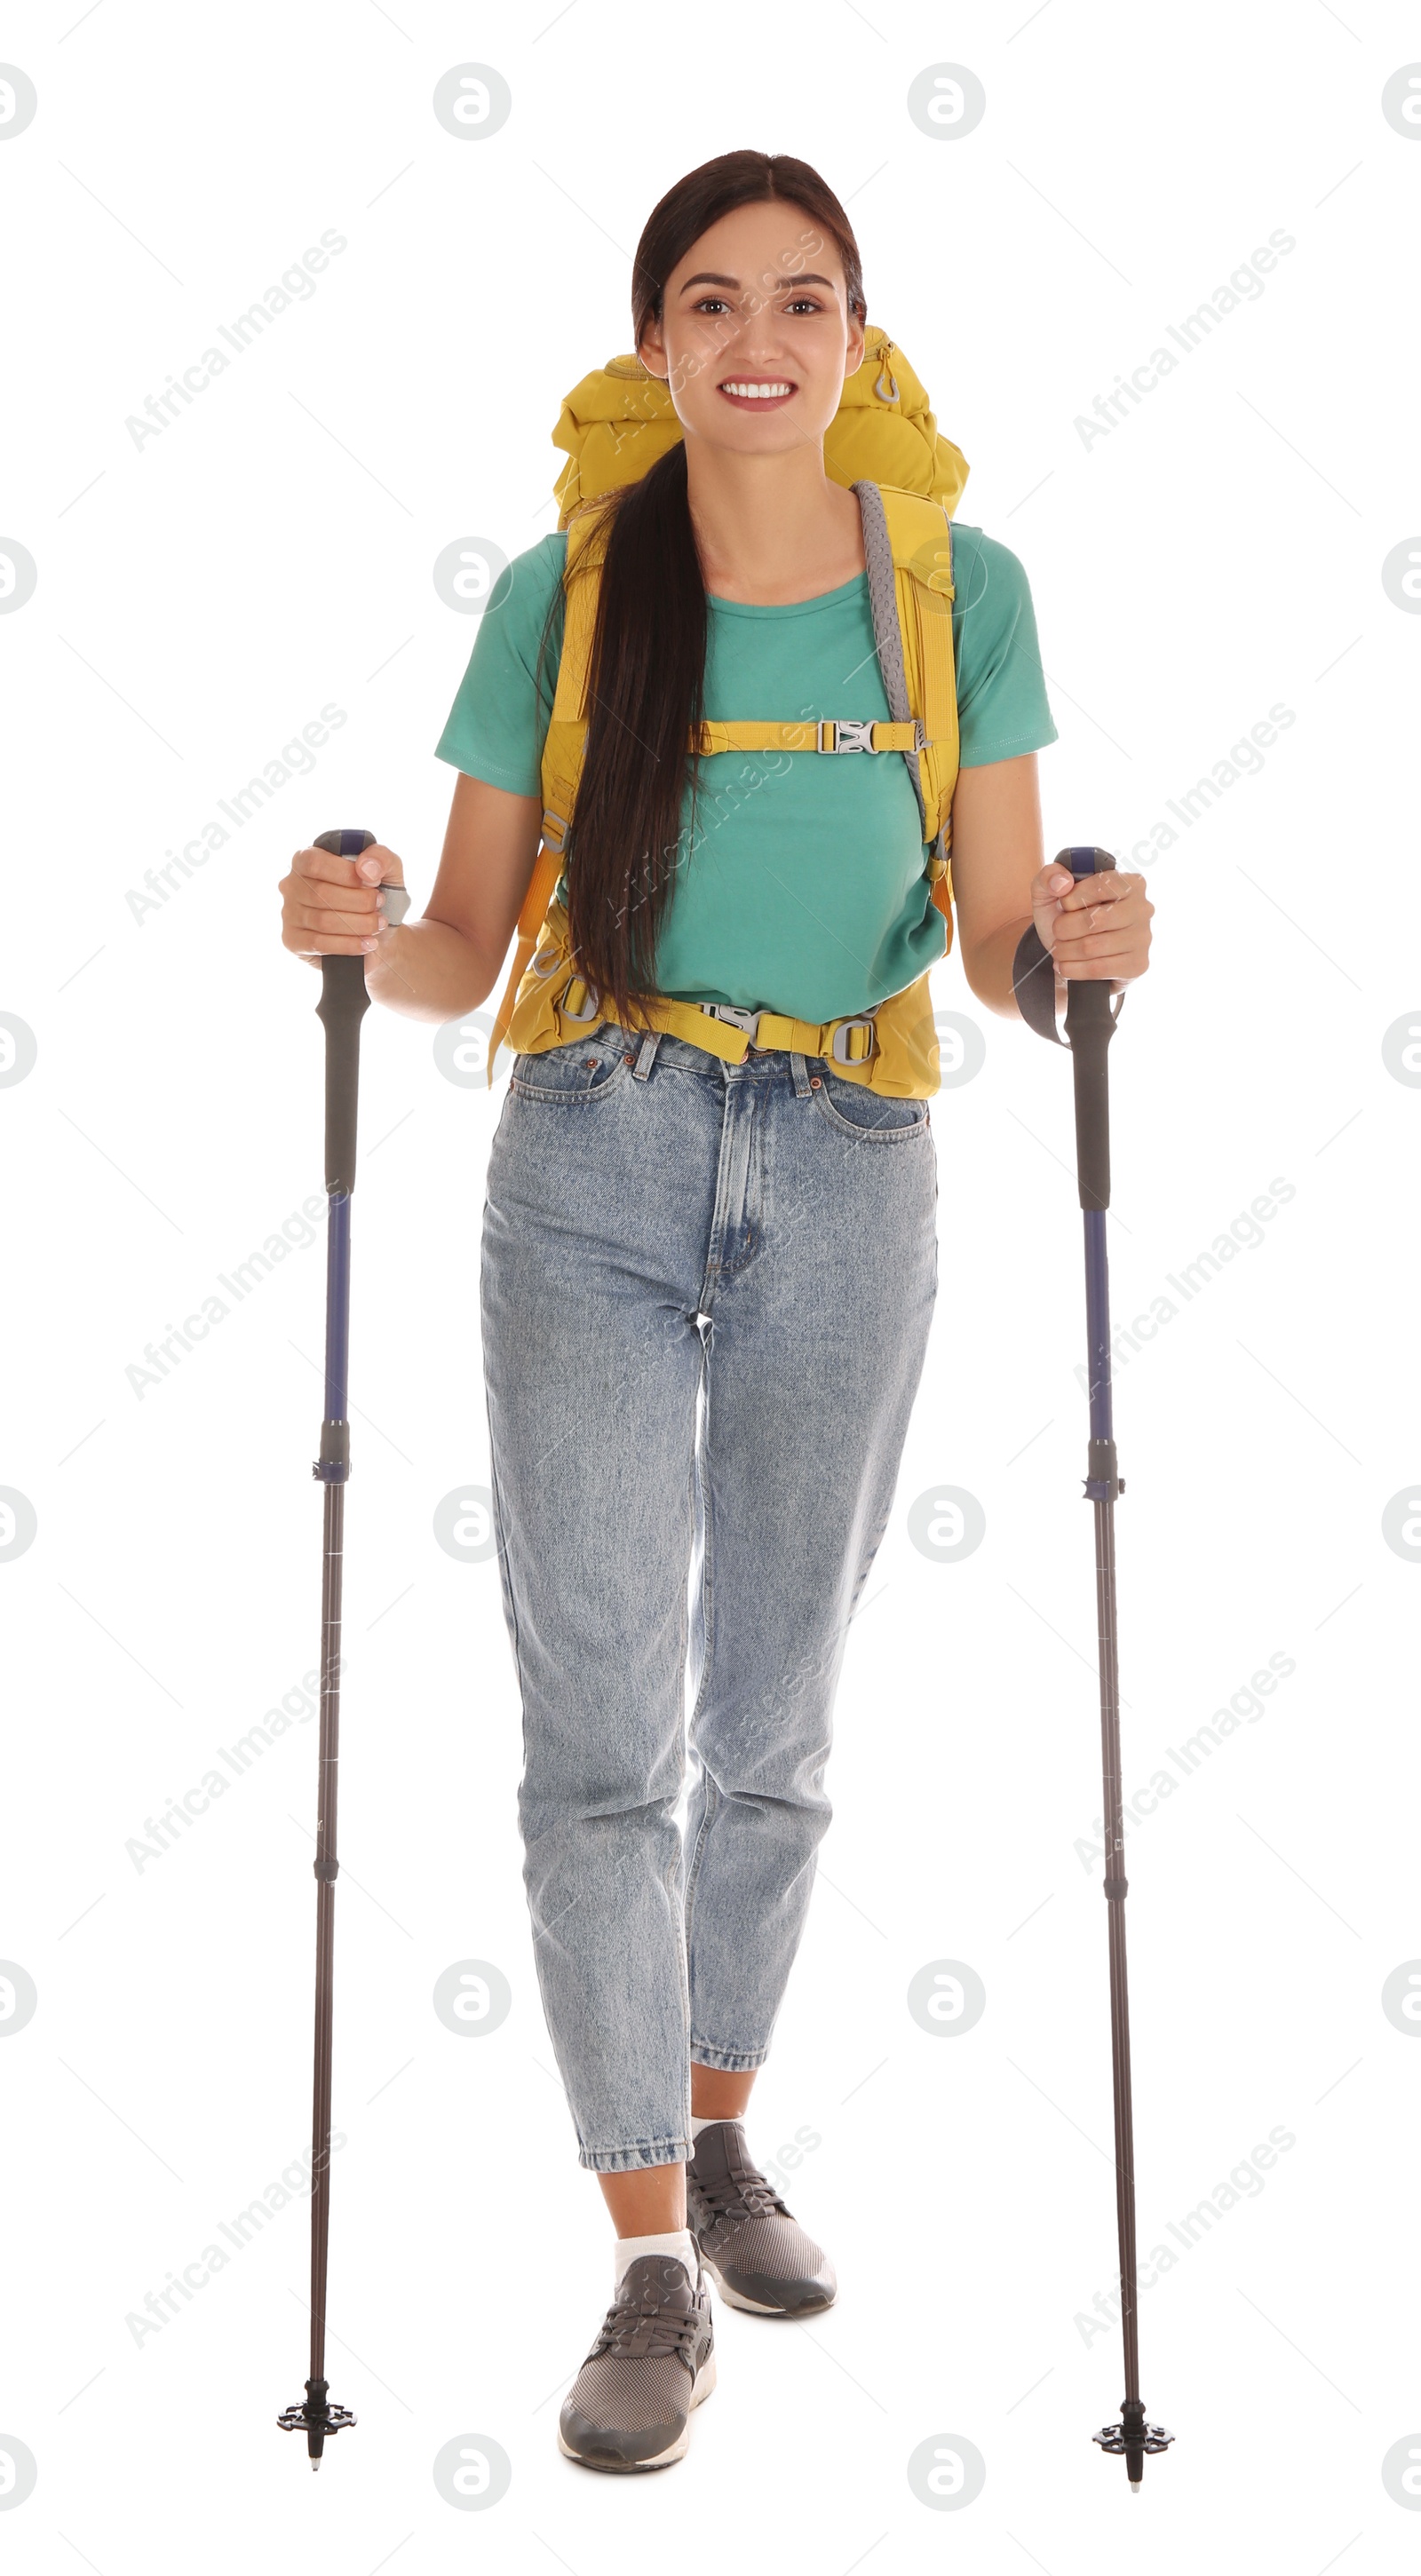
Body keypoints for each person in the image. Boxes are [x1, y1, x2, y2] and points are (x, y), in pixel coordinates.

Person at [280, 148, 1153, 2475]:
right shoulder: (569, 601)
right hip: (592, 1145)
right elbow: (470, 946)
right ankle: (652, 2258)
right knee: (603, 1732)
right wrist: (366, 932)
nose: (760, 334)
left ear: (856, 335)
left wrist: (1064, 961)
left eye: (807, 297)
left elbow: (984, 936)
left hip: (855, 1159)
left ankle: (723, 2104)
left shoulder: (966, 597)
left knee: (774, 1713)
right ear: (657, 343)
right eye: (712, 298)